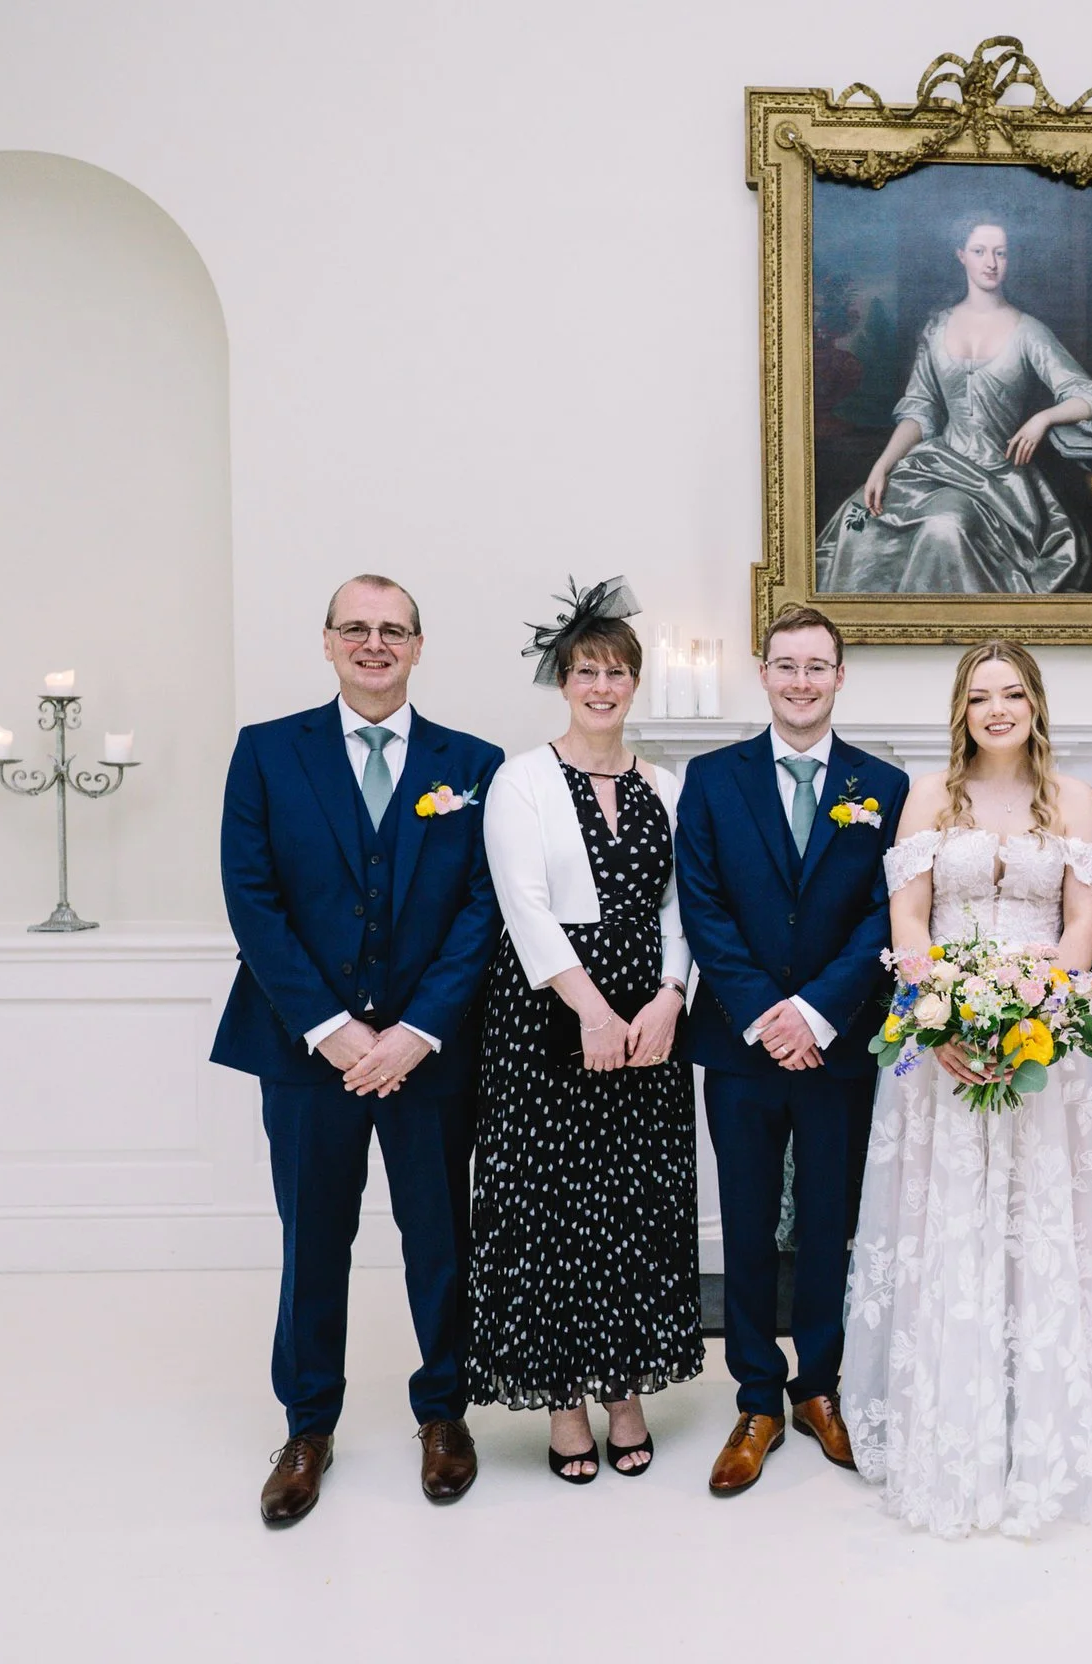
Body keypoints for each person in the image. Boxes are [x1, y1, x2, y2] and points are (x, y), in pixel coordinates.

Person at [840, 639, 1092, 1539]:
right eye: (981, 695)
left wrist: (1037, 1016)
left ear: (1034, 705)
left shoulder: (1075, 799)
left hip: (1051, 1045)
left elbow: (1083, 922)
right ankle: (957, 1410)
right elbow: (909, 917)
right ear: (961, 708)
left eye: (1012, 693)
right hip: (939, 1052)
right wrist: (939, 1018)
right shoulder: (925, 796)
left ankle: (1052, 1406)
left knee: (1049, 1220)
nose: (997, 709)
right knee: (951, 1219)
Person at [213, 574, 505, 1527]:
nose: (374, 643)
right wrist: (332, 1030)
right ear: (328, 642)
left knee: (440, 1237)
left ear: (418, 646)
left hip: (431, 1053)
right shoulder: (266, 752)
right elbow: (252, 899)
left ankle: (444, 1414)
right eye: (356, 628)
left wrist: (416, 1031)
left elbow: (483, 907)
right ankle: (308, 1427)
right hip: (307, 1053)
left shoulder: (475, 763)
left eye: (393, 630)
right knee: (313, 1239)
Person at [467, 577, 701, 1482]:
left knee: (635, 1210)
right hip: (546, 1018)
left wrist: (669, 997)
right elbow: (523, 905)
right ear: (562, 681)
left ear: (635, 683)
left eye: (616, 672)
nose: (602, 687)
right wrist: (592, 1011)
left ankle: (625, 1390)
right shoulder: (521, 781)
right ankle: (564, 1400)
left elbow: (682, 906)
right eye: (585, 672)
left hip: (649, 1021)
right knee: (548, 1211)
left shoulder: (668, 786)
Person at [675, 603, 909, 1495]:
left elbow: (886, 912)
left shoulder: (884, 785)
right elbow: (703, 905)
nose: (801, 681)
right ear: (763, 674)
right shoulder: (711, 778)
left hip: (838, 1045)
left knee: (825, 1222)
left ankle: (819, 1386)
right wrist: (765, 1015)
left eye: (817, 666)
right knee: (744, 1222)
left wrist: (814, 1014)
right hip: (742, 1047)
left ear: (840, 677)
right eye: (786, 665)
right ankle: (755, 1397)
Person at [814, 212, 1092, 595]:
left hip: (997, 480)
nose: (991, 262)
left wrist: (1043, 418)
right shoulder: (937, 327)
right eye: (980, 251)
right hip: (935, 465)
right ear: (961, 255)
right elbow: (920, 411)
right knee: (857, 518)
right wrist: (882, 466)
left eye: (1000, 252)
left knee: (944, 527)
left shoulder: (1029, 331)